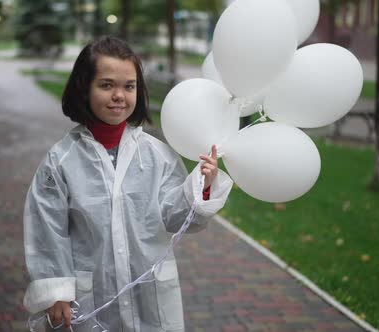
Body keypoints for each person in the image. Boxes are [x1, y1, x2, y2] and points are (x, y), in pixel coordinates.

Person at [22, 36, 233, 332]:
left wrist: (203, 185)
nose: (119, 95)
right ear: (84, 88)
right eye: (107, 85)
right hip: (90, 296)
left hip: (149, 293)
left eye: (129, 86)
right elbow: (48, 229)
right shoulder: (61, 162)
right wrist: (56, 292)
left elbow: (175, 217)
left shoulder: (156, 154)